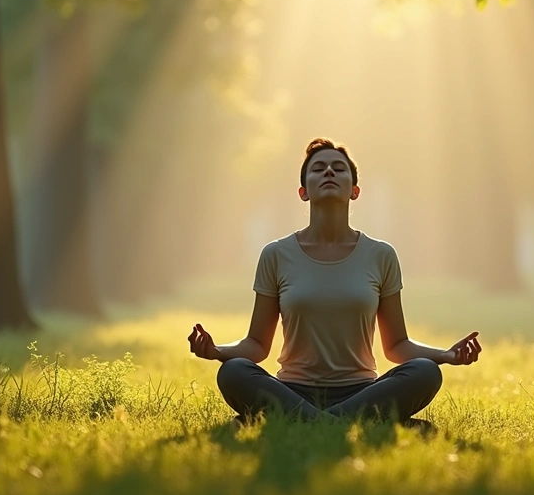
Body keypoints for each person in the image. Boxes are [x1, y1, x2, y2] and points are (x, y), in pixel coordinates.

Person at [188, 137, 482, 424]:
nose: (329, 171)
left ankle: (307, 421)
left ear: (355, 191)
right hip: (293, 389)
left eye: (339, 168)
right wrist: (217, 352)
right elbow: (256, 344)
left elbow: (397, 345)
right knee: (234, 371)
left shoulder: (381, 255)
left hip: (361, 390)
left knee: (425, 372)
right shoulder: (276, 254)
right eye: (318, 168)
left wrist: (446, 355)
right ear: (303, 192)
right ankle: (346, 421)